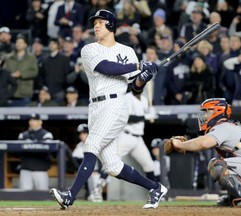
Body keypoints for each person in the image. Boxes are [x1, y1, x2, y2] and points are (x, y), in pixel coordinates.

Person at [50, 9, 167, 210]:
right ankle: (156, 187)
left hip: (116, 105)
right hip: (95, 107)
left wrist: (144, 77)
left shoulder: (127, 51)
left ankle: (70, 196)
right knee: (113, 167)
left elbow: (135, 88)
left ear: (111, 25)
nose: (96, 25)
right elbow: (107, 68)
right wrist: (140, 65)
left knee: (91, 145)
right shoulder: (89, 49)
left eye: (101, 22)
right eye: (95, 22)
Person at [165, 98, 241, 207]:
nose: (203, 116)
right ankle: (236, 196)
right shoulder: (227, 126)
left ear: (217, 111)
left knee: (217, 165)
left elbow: (203, 143)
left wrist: (179, 145)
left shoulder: (223, 126)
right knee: (224, 165)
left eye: (206, 112)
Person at [18, 113, 54, 190]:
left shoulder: (47, 134)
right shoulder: (23, 135)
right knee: (24, 196)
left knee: (43, 195)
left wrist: (29, 147)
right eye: (31, 120)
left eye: (35, 120)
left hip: (40, 170)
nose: (32, 122)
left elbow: (46, 150)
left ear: (40, 122)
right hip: (26, 169)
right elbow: (18, 151)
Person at [72, 123, 107, 202]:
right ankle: (91, 196)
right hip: (88, 173)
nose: (82, 135)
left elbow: (104, 162)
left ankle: (97, 196)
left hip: (101, 173)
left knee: (95, 177)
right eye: (80, 133)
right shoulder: (79, 146)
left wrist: (101, 174)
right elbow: (73, 160)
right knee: (89, 176)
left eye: (84, 133)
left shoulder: (97, 143)